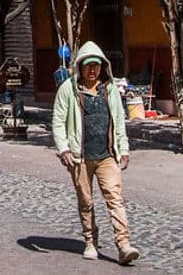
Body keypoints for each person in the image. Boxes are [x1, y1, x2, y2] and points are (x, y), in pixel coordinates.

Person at [51, 41, 141, 265]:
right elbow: (58, 121)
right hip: (79, 157)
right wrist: (63, 149)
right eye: (88, 65)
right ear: (80, 67)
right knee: (86, 201)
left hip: (107, 155)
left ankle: (123, 244)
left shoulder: (110, 90)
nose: (92, 70)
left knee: (115, 198)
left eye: (97, 65)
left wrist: (124, 149)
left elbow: (119, 120)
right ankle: (90, 241)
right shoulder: (68, 89)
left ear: (103, 67)